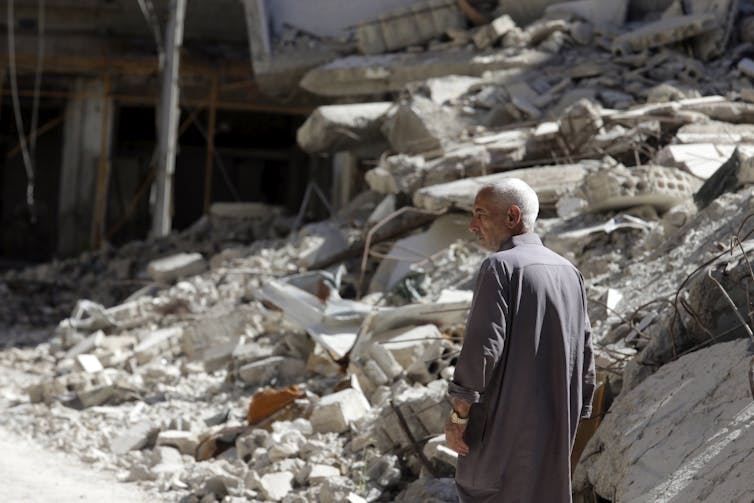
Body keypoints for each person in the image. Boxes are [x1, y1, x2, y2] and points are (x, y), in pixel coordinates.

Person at [444, 179, 595, 503]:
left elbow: (482, 349)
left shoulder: (500, 267)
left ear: (512, 216)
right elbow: (585, 356)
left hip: (499, 447)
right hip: (551, 445)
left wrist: (459, 415)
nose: (473, 226)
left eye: (481, 214)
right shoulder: (569, 272)